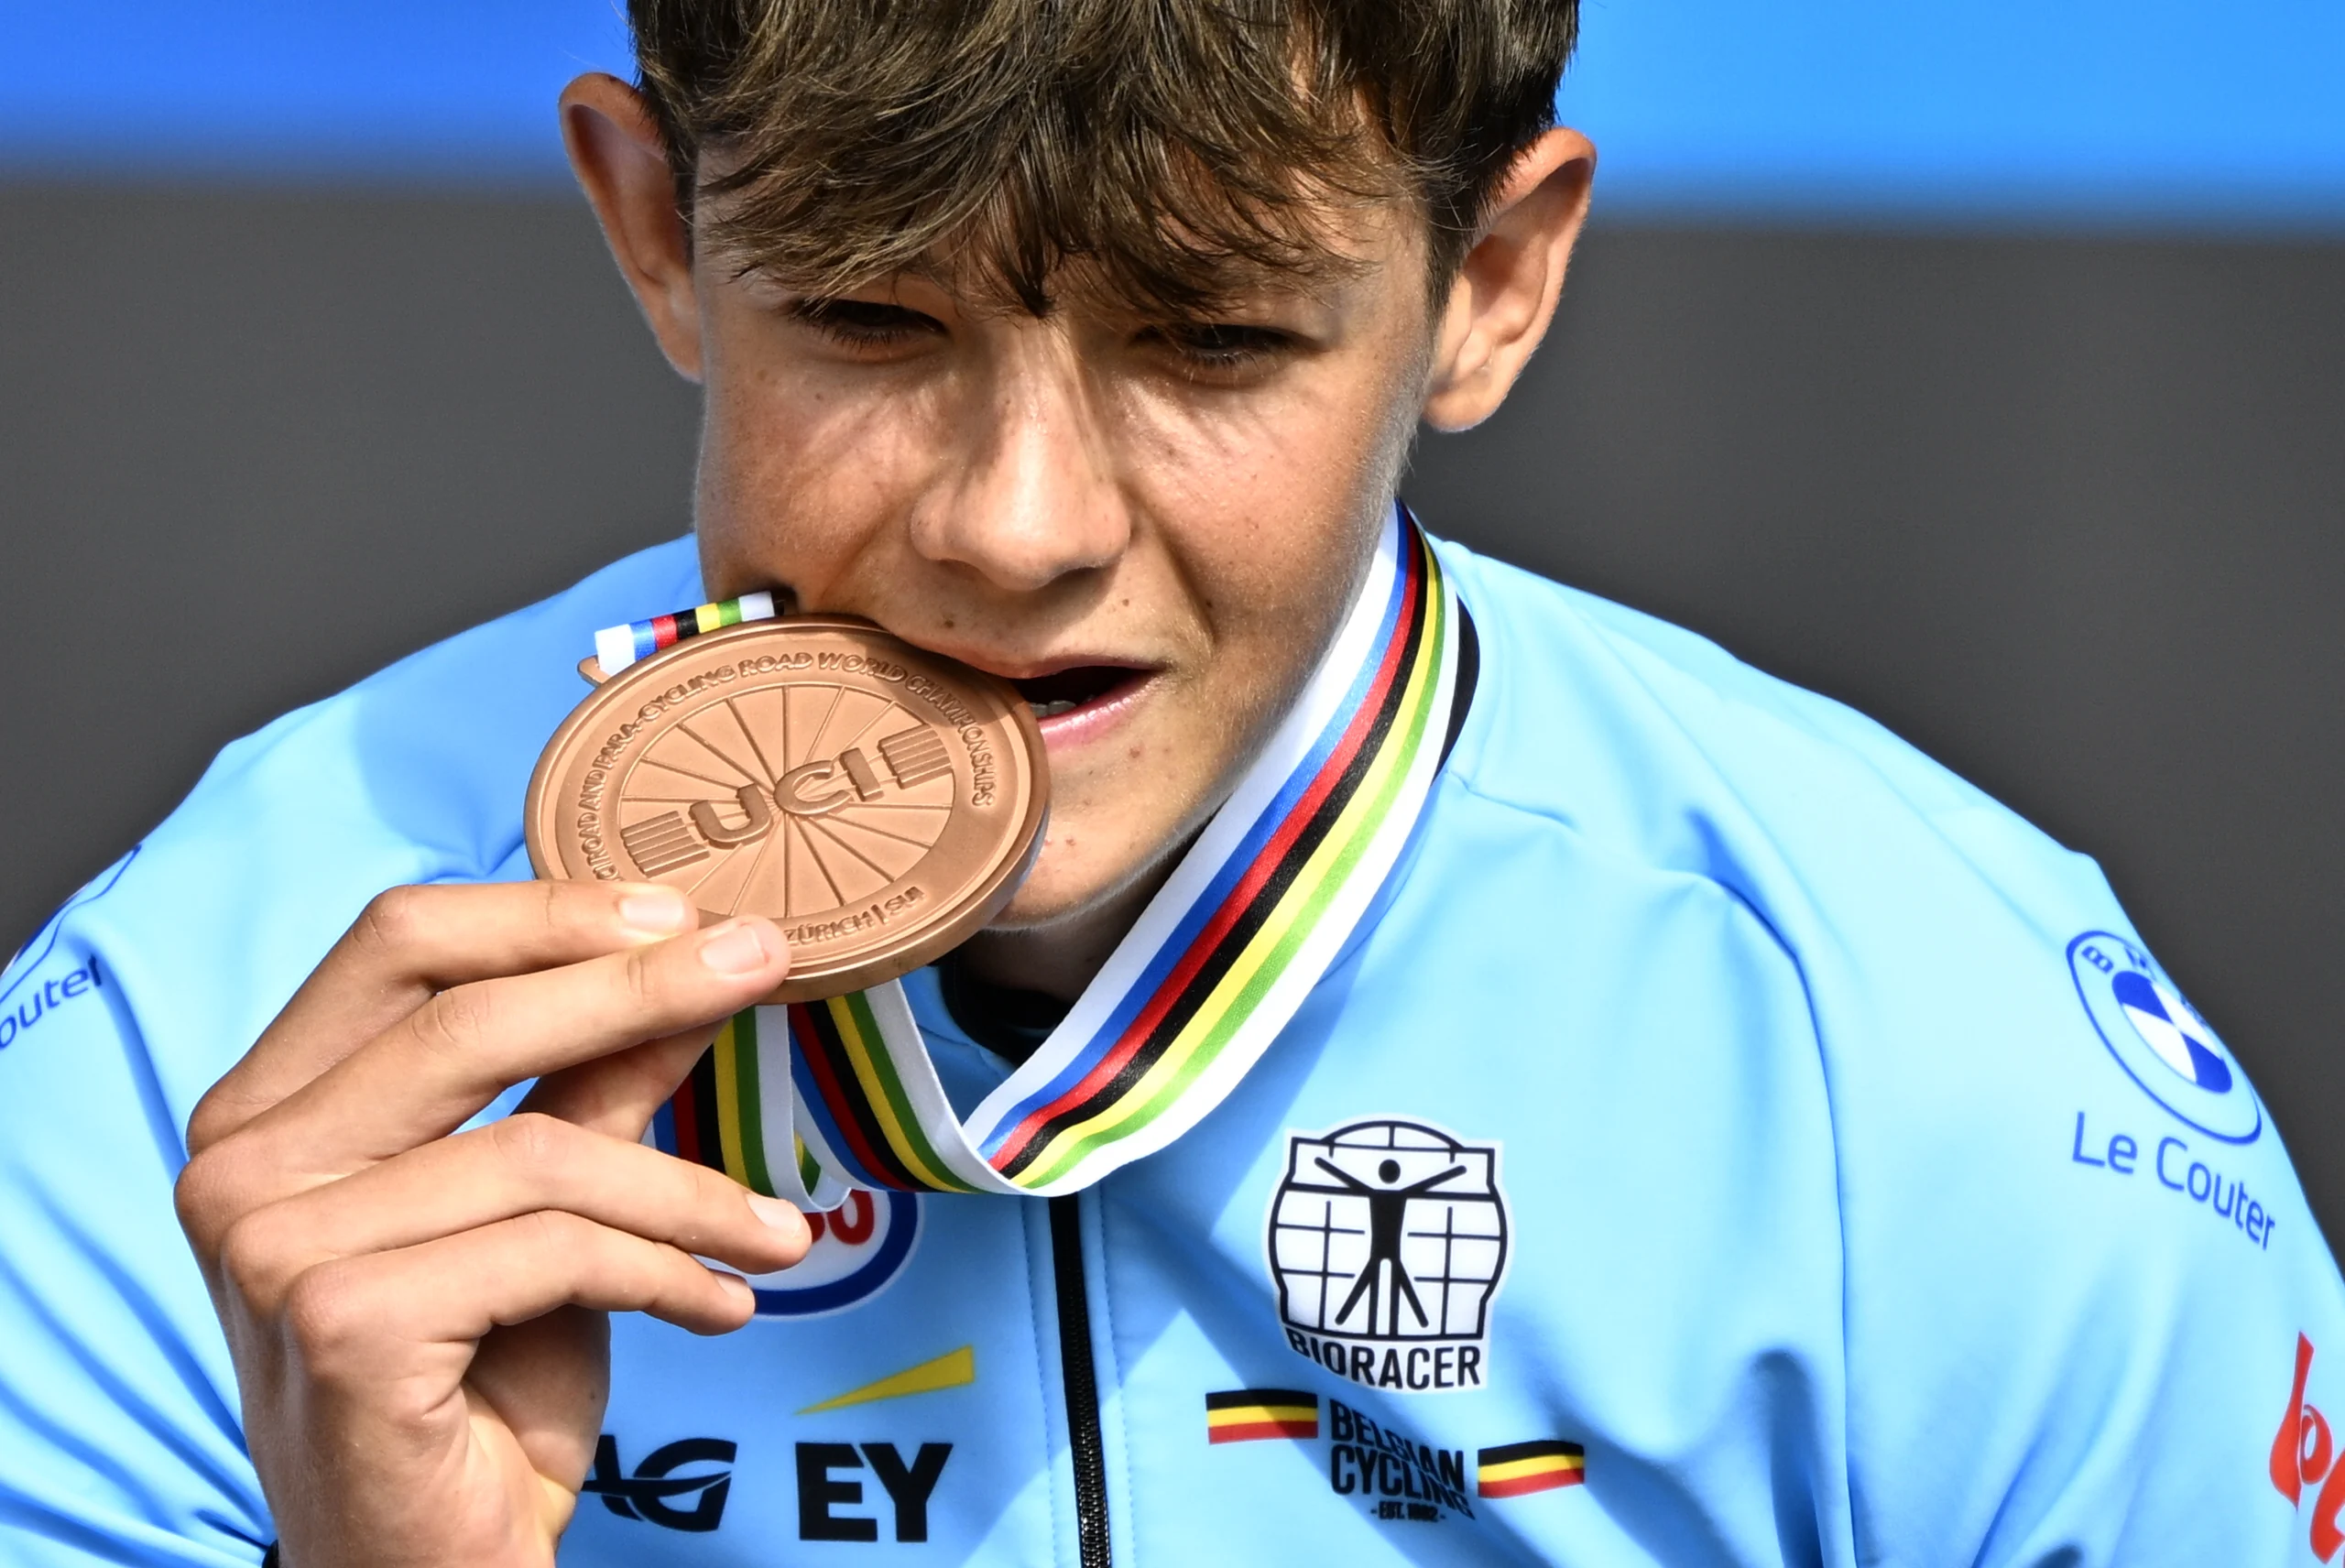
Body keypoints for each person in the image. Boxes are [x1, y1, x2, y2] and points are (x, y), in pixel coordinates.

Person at [3, 1, 2340, 1563]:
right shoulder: (197, 1048)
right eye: (870, 317)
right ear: (652, 226)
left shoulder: (1925, 1062)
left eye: (1210, 339)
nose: (1016, 525)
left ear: (1491, 285)